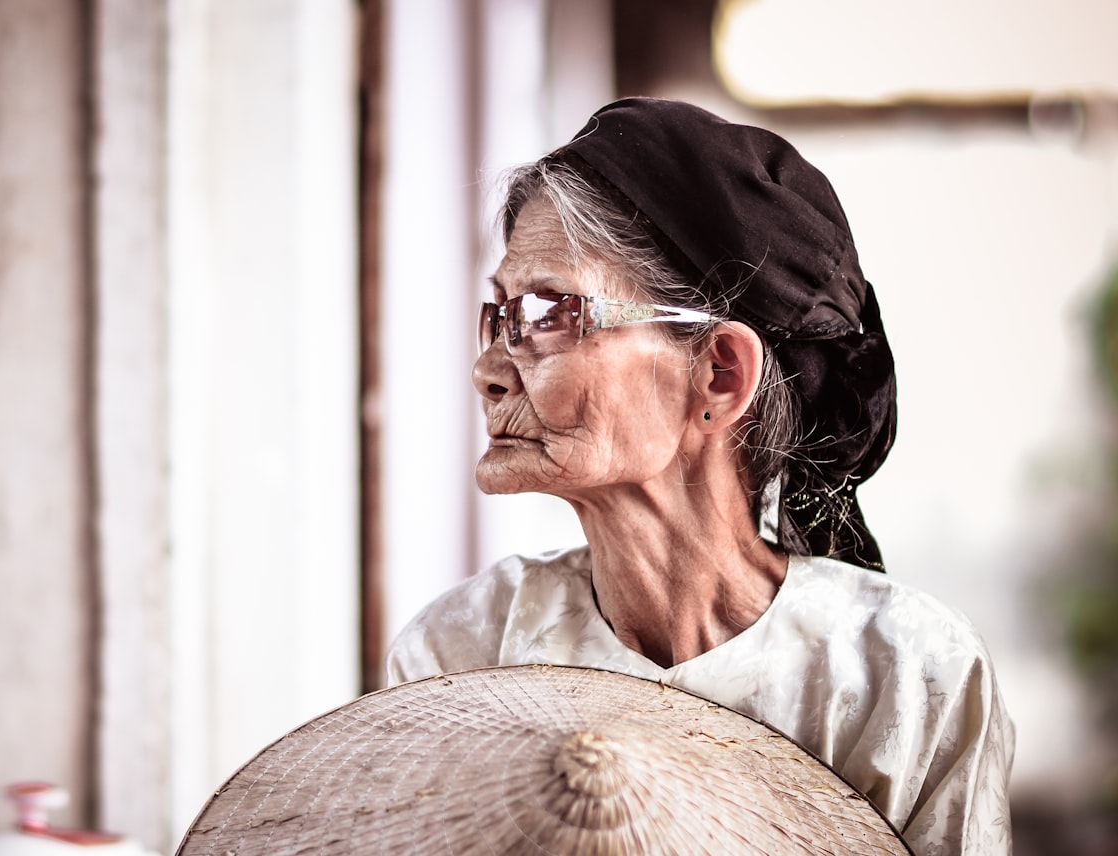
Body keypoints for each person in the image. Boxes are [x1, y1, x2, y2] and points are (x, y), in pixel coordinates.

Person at [386, 97, 1014, 854]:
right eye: (500, 316)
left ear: (719, 374)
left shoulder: (906, 682)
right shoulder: (465, 656)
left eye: (548, 313)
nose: (487, 369)